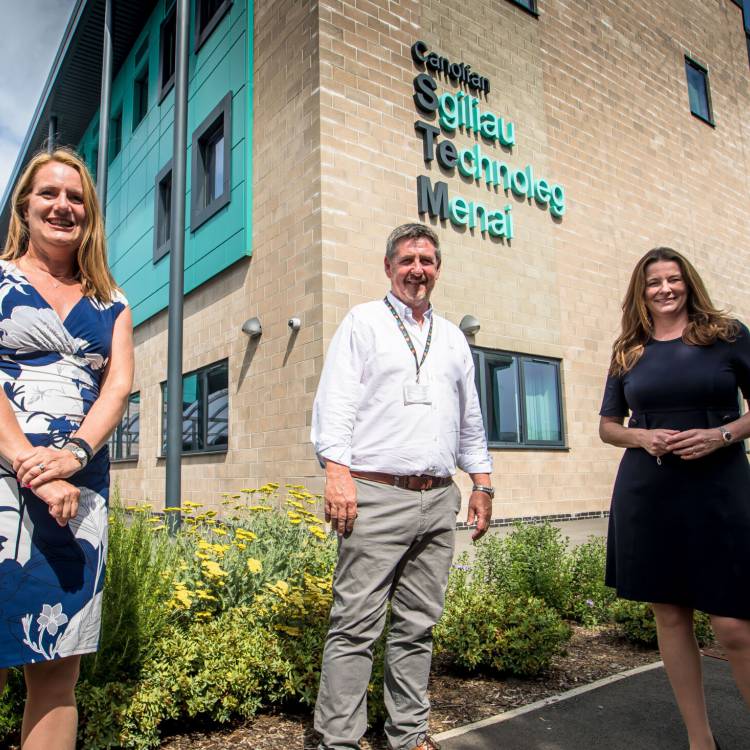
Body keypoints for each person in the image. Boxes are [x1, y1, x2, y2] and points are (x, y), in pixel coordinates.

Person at [310, 223, 493, 750]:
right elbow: (335, 403)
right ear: (389, 266)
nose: (418, 270)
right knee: (354, 628)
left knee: (418, 626)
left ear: (438, 269)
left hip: (438, 498)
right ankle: (338, 741)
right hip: (375, 496)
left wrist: (482, 482)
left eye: (427, 261)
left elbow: (469, 419)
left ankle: (408, 734)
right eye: (408, 260)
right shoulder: (363, 322)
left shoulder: (453, 337)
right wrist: (337, 474)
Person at [0, 147, 134, 749]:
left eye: (76, 197)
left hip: (79, 497)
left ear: (90, 212)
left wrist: (75, 456)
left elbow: (118, 386)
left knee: (57, 667)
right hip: (4, 483)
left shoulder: (112, 301)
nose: (63, 206)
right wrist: (33, 467)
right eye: (48, 193)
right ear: (24, 206)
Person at [599, 247, 750, 750]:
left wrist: (721, 435)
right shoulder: (629, 349)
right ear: (641, 292)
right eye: (654, 282)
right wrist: (642, 437)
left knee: (733, 624)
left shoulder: (727, 335)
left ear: (689, 282)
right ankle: (700, 741)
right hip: (650, 492)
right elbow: (608, 427)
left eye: (673, 279)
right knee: (669, 614)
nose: (665, 289)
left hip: (720, 489)